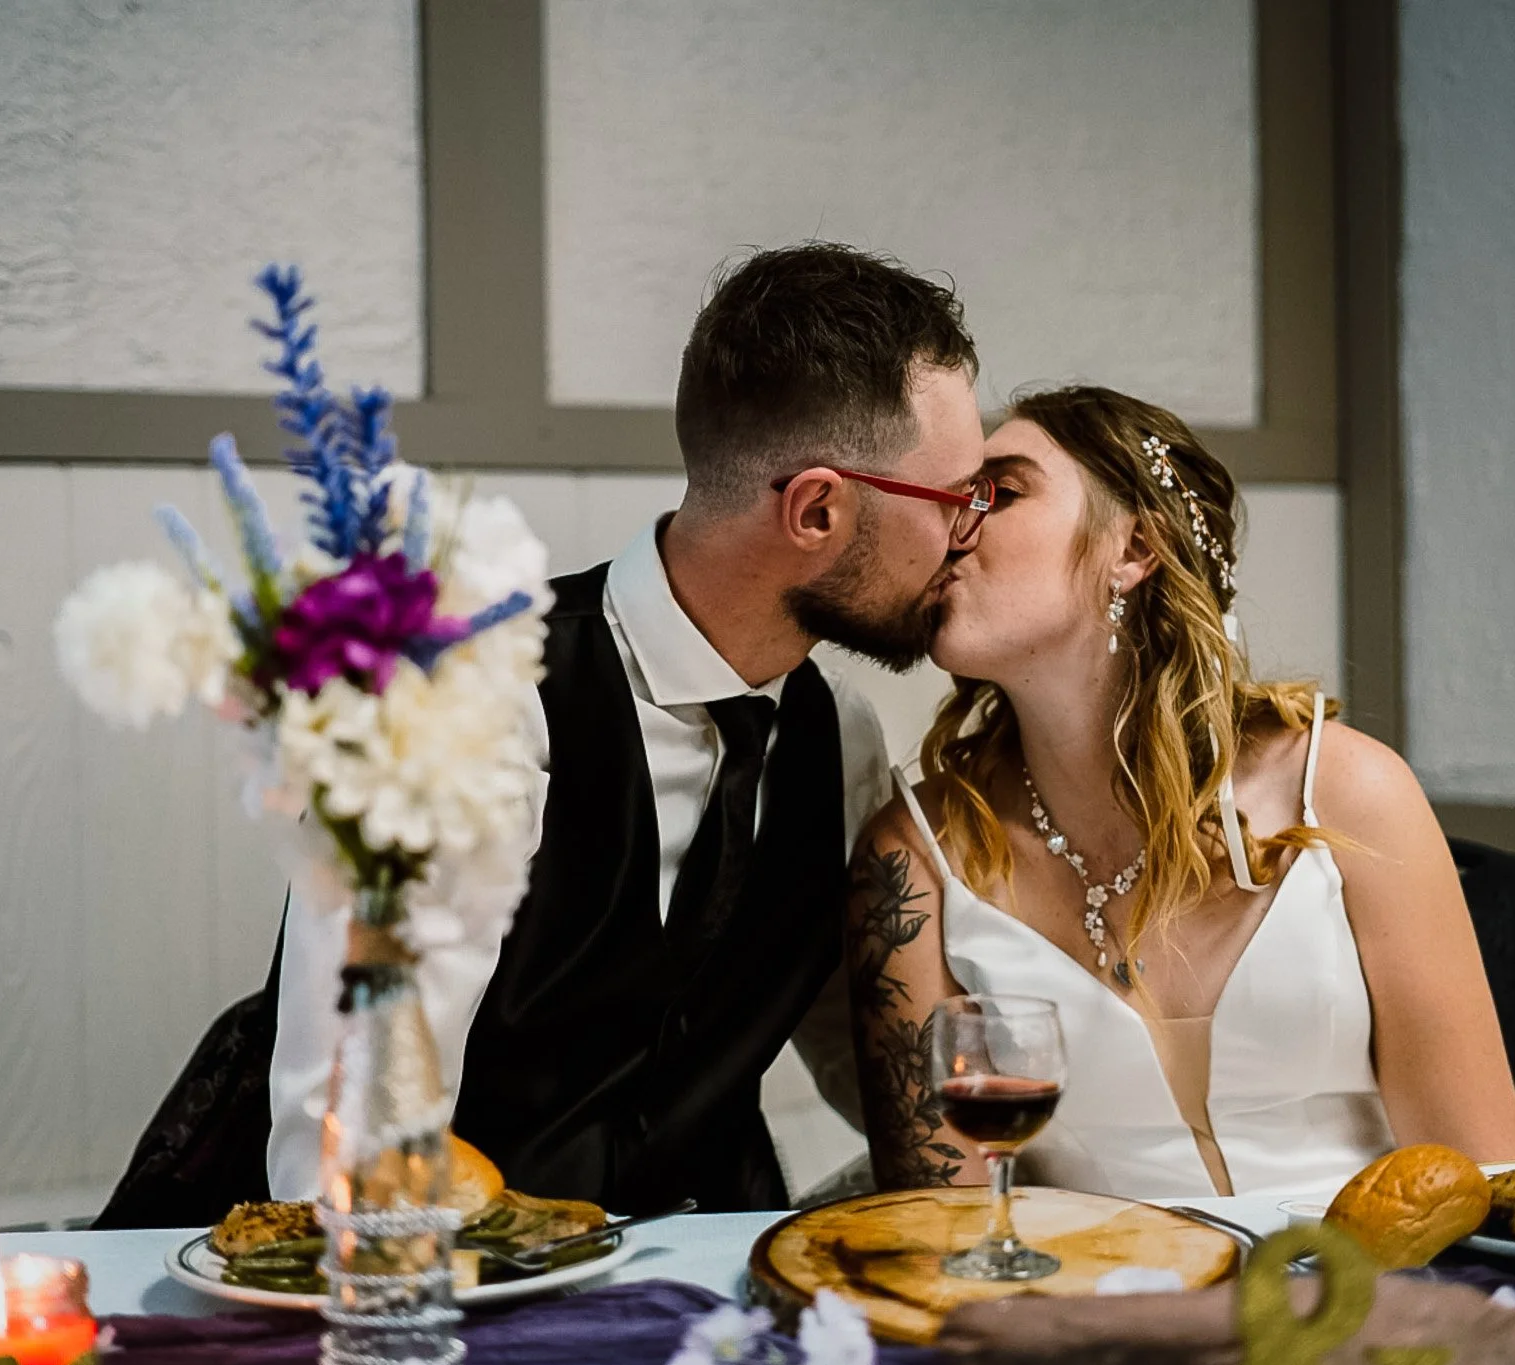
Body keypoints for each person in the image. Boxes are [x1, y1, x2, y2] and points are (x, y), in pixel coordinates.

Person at [266, 242, 992, 1214]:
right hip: (474, 1282)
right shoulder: (465, 703)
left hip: (720, 1273)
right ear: (816, 509)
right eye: (955, 497)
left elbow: (861, 1048)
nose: (969, 532)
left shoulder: (841, 737)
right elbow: (351, 1133)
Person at [846, 385, 1515, 1199]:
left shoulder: (1349, 793)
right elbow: (943, 1230)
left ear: (1134, 549)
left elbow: (1484, 1181)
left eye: (999, 493)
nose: (952, 526)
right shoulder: (914, 860)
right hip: (1100, 1310)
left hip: (1375, 1292)